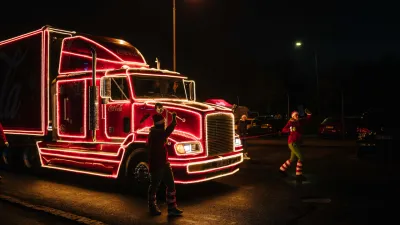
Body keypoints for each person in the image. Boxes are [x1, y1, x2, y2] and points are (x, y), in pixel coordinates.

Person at [147, 104, 183, 216]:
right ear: (160, 124)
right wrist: (173, 120)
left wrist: (173, 121)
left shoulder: (156, 133)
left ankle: (172, 207)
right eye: (163, 122)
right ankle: (153, 207)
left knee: (170, 185)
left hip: (164, 162)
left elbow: (166, 132)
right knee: (154, 186)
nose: (163, 124)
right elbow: (168, 131)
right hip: (157, 164)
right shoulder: (157, 134)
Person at [279, 109, 312, 183]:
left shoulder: (299, 121)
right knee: (301, 157)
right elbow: (284, 129)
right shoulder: (291, 122)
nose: (297, 116)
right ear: (293, 116)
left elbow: (306, 120)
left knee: (292, 159)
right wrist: (290, 129)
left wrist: (309, 114)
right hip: (292, 142)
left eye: (297, 115)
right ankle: (298, 175)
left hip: (296, 142)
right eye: (295, 115)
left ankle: (281, 170)